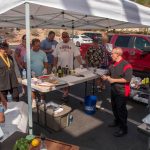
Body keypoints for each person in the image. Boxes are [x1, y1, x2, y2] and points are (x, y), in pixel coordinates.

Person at [102, 47, 132, 137]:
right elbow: (109, 74)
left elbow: (127, 79)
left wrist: (113, 80)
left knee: (121, 110)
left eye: (112, 54)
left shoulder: (126, 65)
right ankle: (117, 121)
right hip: (114, 90)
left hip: (122, 91)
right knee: (114, 107)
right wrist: (106, 77)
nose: (111, 55)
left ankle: (124, 128)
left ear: (118, 54)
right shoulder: (112, 64)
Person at [53, 32, 82, 100]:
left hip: (69, 66)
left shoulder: (72, 45)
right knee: (62, 80)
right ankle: (64, 92)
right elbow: (55, 56)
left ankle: (66, 93)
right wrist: (54, 66)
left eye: (66, 36)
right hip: (60, 66)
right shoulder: (58, 45)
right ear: (62, 37)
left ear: (68, 37)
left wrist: (81, 64)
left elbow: (77, 55)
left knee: (69, 81)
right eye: (64, 37)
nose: (65, 38)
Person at [24, 38, 48, 107]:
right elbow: (25, 64)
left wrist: (45, 68)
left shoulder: (42, 52)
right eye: (37, 46)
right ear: (32, 45)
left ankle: (42, 100)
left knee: (43, 87)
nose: (38, 47)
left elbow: (45, 62)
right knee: (32, 88)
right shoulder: (28, 53)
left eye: (39, 46)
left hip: (41, 74)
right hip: (32, 74)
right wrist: (30, 71)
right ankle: (34, 100)